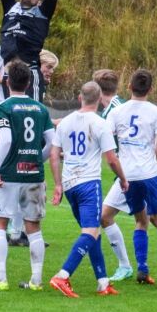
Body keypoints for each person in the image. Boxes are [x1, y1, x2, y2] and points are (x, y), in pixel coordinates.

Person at [95, 68, 157, 282]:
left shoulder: (117, 111)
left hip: (127, 175)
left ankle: (142, 267)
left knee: (141, 221)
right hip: (149, 173)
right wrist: (156, 156)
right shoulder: (156, 112)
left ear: (129, 87)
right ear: (151, 89)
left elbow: (105, 136)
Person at [48, 81, 128, 298]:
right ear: (100, 99)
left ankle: (103, 282)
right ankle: (63, 275)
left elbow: (54, 155)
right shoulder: (100, 123)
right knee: (90, 232)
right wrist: (122, 178)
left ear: (79, 97)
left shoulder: (64, 123)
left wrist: (57, 184)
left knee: (92, 232)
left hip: (70, 184)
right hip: (89, 184)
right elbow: (111, 158)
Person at [0, 61, 56, 291]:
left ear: (7, 81)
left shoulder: (3, 107)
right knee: (33, 226)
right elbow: (51, 143)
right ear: (28, 83)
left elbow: (5, 140)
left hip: (9, 174)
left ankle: (1, 279)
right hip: (34, 173)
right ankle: (36, 281)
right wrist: (38, 158)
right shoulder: (40, 109)